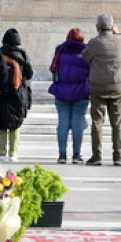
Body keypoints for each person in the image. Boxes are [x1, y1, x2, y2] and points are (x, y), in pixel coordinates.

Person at [83, 14, 121, 166]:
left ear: (97, 27)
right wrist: (119, 33)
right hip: (117, 86)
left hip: (98, 86)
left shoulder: (94, 42)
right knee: (117, 123)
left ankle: (96, 155)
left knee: (97, 121)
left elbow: (85, 57)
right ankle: (117, 156)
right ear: (112, 26)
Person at [49, 28, 91, 165]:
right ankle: (76, 155)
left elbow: (53, 68)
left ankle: (62, 154)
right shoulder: (86, 52)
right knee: (78, 124)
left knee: (63, 123)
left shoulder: (60, 50)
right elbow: (91, 71)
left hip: (62, 90)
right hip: (81, 92)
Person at [0, 28, 33, 161]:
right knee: (15, 124)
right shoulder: (23, 54)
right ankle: (13, 153)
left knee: (1, 123)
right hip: (17, 93)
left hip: (1, 92)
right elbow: (29, 74)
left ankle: (2, 152)